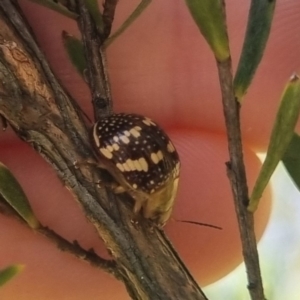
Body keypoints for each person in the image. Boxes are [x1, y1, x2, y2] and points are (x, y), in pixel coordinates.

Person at [0, 0, 298, 299]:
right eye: (155, 216)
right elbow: (115, 175)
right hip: (115, 137)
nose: (151, 219)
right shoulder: (151, 183)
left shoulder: (163, 177)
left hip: (121, 134)